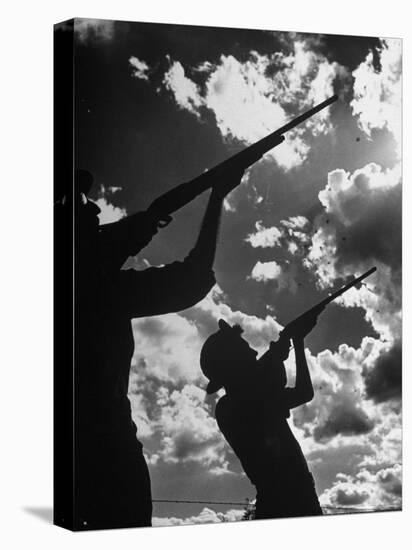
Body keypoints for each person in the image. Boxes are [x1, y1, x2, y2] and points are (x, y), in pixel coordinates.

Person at [67, 166, 244, 529]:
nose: (96, 210)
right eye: (81, 202)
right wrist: (217, 196)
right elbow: (192, 277)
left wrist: (147, 221)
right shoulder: (95, 289)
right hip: (108, 458)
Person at [200, 317, 323, 520]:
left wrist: (281, 353)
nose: (254, 352)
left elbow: (264, 388)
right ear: (233, 362)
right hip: (285, 501)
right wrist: (293, 345)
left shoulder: (242, 398)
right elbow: (302, 393)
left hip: (297, 496)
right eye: (245, 350)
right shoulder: (230, 407)